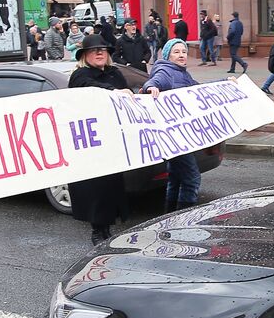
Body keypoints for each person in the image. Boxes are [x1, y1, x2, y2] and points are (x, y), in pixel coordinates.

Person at [68, 35, 134, 244]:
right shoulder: (80, 75)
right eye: (94, 50)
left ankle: (107, 228)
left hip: (112, 139)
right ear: (85, 56)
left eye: (103, 50)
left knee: (112, 186)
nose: (99, 53)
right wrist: (113, 92)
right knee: (95, 187)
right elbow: (89, 88)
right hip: (92, 143)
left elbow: (127, 96)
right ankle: (97, 230)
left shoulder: (115, 73)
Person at [142, 40, 201, 211]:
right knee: (192, 179)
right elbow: (153, 82)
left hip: (180, 135)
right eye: (176, 52)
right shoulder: (166, 71)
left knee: (175, 178)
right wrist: (150, 87)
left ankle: (168, 217)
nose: (182, 55)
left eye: (184, 51)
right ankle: (184, 218)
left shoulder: (183, 74)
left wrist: (225, 82)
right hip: (175, 137)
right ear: (168, 55)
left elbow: (200, 89)